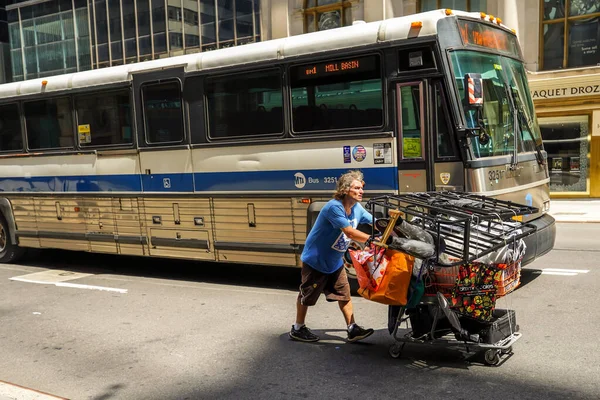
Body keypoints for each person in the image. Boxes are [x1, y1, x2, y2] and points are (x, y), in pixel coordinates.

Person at [289, 170, 375, 343]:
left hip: (334, 262)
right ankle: (298, 328)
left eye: (362, 187)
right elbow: (349, 232)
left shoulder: (357, 208)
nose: (361, 191)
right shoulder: (333, 207)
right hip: (316, 261)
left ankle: (352, 328)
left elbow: (374, 222)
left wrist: (392, 229)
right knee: (307, 295)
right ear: (345, 189)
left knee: (344, 295)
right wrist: (373, 241)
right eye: (357, 188)